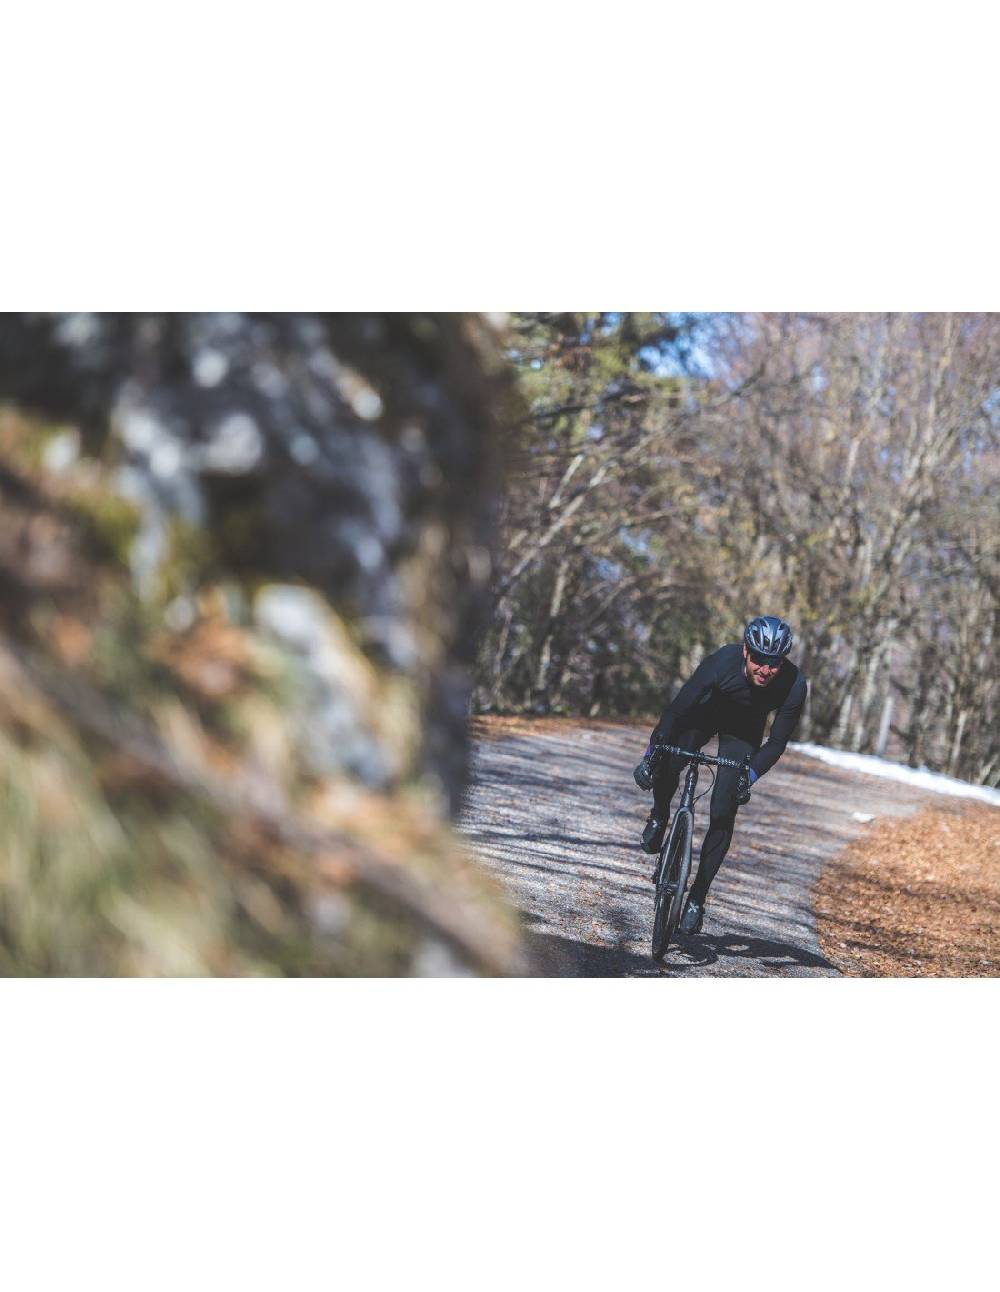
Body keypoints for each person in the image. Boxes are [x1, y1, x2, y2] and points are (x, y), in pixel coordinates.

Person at [633, 615, 808, 934]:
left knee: (723, 811)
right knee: (670, 760)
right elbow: (676, 711)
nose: (765, 669)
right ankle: (659, 816)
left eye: (774, 663)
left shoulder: (793, 684)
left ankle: (697, 899)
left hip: (743, 732)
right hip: (704, 714)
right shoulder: (722, 662)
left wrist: (749, 775)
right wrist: (650, 755)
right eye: (759, 659)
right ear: (745, 651)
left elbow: (776, 743)